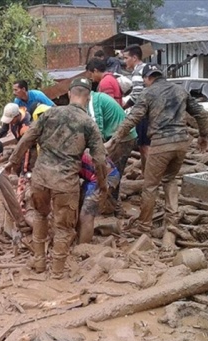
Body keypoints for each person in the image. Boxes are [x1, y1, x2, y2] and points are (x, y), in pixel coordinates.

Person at [6, 78, 108, 279]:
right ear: (87, 98)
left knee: (41, 217)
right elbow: (100, 159)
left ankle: (39, 262)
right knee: (63, 228)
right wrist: (103, 185)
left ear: (69, 94)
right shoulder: (89, 124)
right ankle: (58, 272)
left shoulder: (49, 114)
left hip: (40, 179)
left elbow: (27, 139)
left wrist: (13, 161)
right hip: (65, 183)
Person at [107, 64, 208, 237]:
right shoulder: (180, 90)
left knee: (150, 185)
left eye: (144, 80)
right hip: (181, 143)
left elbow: (133, 117)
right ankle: (172, 220)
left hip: (162, 143)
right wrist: (203, 136)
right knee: (169, 179)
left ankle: (144, 226)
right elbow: (200, 113)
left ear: (148, 78)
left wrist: (114, 139)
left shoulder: (148, 92)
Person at [76, 79, 136, 216]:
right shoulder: (95, 98)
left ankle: (113, 208)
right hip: (120, 136)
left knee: (109, 172)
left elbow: (97, 130)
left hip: (121, 139)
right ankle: (111, 206)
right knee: (111, 172)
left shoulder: (93, 102)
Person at [78, 149, 121, 244]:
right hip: (90, 175)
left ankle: (82, 247)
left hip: (104, 176)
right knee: (78, 207)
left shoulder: (67, 156)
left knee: (86, 215)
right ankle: (79, 238)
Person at [121, 44, 150, 169]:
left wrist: (123, 107)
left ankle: (149, 174)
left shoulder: (138, 72)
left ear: (134, 57)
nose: (124, 61)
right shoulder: (147, 68)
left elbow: (137, 95)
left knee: (144, 146)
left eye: (126, 58)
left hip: (144, 114)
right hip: (154, 111)